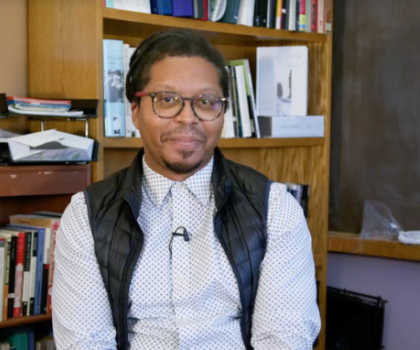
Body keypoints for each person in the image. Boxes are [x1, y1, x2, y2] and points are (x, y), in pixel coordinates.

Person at [53, 29, 321, 350]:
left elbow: (284, 339)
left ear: (222, 113)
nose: (188, 117)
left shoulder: (274, 208)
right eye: (167, 100)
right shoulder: (87, 215)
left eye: (206, 102)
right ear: (135, 111)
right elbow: (85, 343)